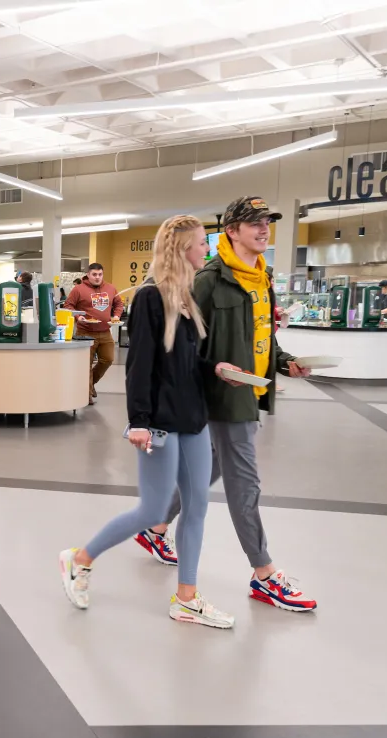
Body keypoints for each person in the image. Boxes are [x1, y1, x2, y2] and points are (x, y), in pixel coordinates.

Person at [135, 196, 317, 613]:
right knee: (244, 483)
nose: (263, 228)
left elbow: (261, 335)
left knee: (212, 469)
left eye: (267, 221)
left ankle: (157, 526)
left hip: (249, 391)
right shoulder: (207, 279)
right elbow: (180, 345)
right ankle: (264, 574)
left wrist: (285, 363)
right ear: (231, 231)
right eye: (253, 222)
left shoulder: (262, 277)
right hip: (220, 396)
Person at [59, 216, 236, 628]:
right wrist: (137, 421)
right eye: (200, 245)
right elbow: (138, 367)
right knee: (152, 509)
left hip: (194, 419)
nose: (206, 251)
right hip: (158, 422)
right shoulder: (150, 299)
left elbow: (188, 362)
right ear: (180, 250)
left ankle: (186, 598)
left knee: (196, 508)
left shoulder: (189, 300)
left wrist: (217, 369)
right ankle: (79, 559)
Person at [64, 263, 124, 403]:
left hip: (105, 331)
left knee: (107, 360)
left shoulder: (110, 288)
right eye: (94, 274)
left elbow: (119, 304)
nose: (97, 277)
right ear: (88, 275)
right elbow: (68, 305)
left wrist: (116, 316)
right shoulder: (78, 289)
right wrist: (79, 317)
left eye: (100, 274)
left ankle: (90, 385)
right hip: (85, 331)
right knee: (86, 364)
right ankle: (87, 394)